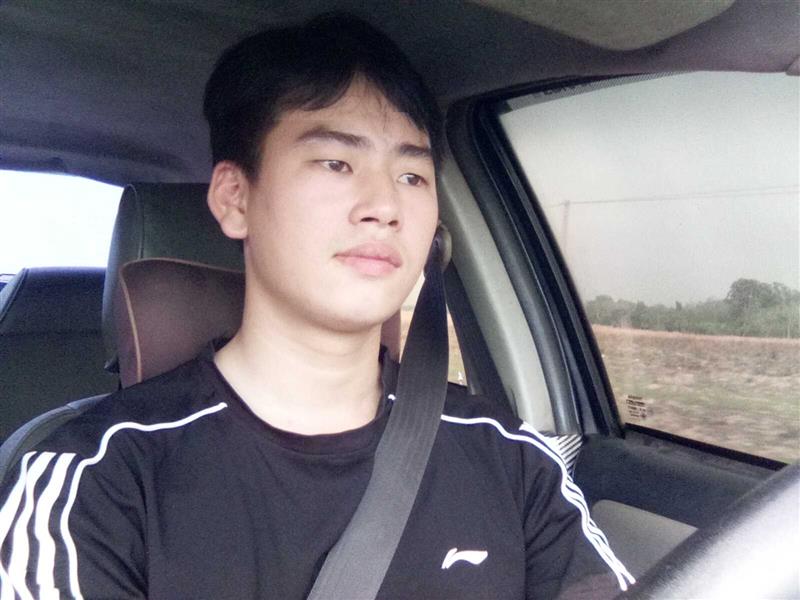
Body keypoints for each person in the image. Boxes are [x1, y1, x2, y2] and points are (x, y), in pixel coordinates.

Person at [0, 13, 633, 599]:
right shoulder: (95, 480)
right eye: (336, 163)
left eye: (412, 176)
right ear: (235, 199)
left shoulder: (511, 456)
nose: (384, 206)